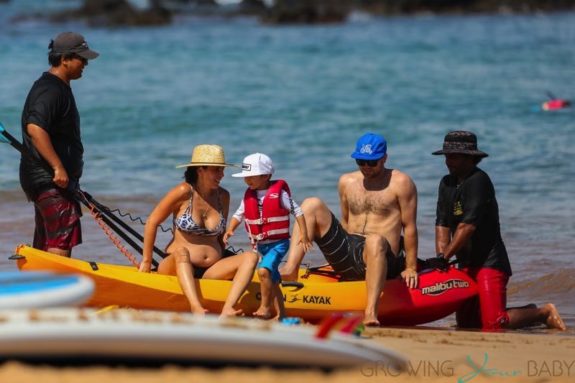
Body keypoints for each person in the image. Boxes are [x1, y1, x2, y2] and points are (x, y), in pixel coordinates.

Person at [280, 133, 419, 326]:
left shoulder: (401, 183)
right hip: (350, 252)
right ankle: (290, 269)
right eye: (361, 162)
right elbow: (345, 222)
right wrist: (336, 255)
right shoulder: (346, 182)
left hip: (382, 255)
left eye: (372, 163)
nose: (366, 167)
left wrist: (411, 267)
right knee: (311, 204)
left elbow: (410, 227)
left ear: (384, 158)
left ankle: (371, 312)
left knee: (374, 240)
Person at [432, 130, 566, 331]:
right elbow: (442, 223)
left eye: (454, 156)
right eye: (446, 156)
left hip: (490, 262)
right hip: (465, 263)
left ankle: (543, 312)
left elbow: (467, 225)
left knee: (494, 322)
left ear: (470, 158)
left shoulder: (479, 180)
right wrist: (442, 259)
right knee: (467, 325)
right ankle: (526, 311)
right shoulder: (446, 183)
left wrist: (445, 257)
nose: (448, 161)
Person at [139, 145, 258, 316]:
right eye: (217, 170)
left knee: (251, 257)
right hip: (177, 263)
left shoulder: (223, 196)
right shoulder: (183, 192)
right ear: (200, 170)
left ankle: (228, 307)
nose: (222, 175)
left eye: (222, 170)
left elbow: (219, 236)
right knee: (182, 252)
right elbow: (152, 222)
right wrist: (147, 261)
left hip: (212, 270)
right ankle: (195, 307)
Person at [19, 32, 99, 257]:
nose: (85, 64)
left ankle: (36, 286)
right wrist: (58, 167)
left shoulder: (56, 87)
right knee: (62, 238)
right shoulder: (51, 90)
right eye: (81, 58)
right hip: (50, 179)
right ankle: (55, 289)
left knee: (47, 240)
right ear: (64, 59)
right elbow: (35, 128)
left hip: (48, 180)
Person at [224, 153, 312, 320]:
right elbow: (238, 214)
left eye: (251, 177)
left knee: (263, 271)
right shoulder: (248, 195)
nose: (247, 181)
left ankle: (265, 307)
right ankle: (282, 315)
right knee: (273, 279)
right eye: (245, 177)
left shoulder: (280, 194)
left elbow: (298, 212)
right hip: (261, 245)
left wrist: (305, 235)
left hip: (278, 244)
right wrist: (230, 229)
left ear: (266, 176)